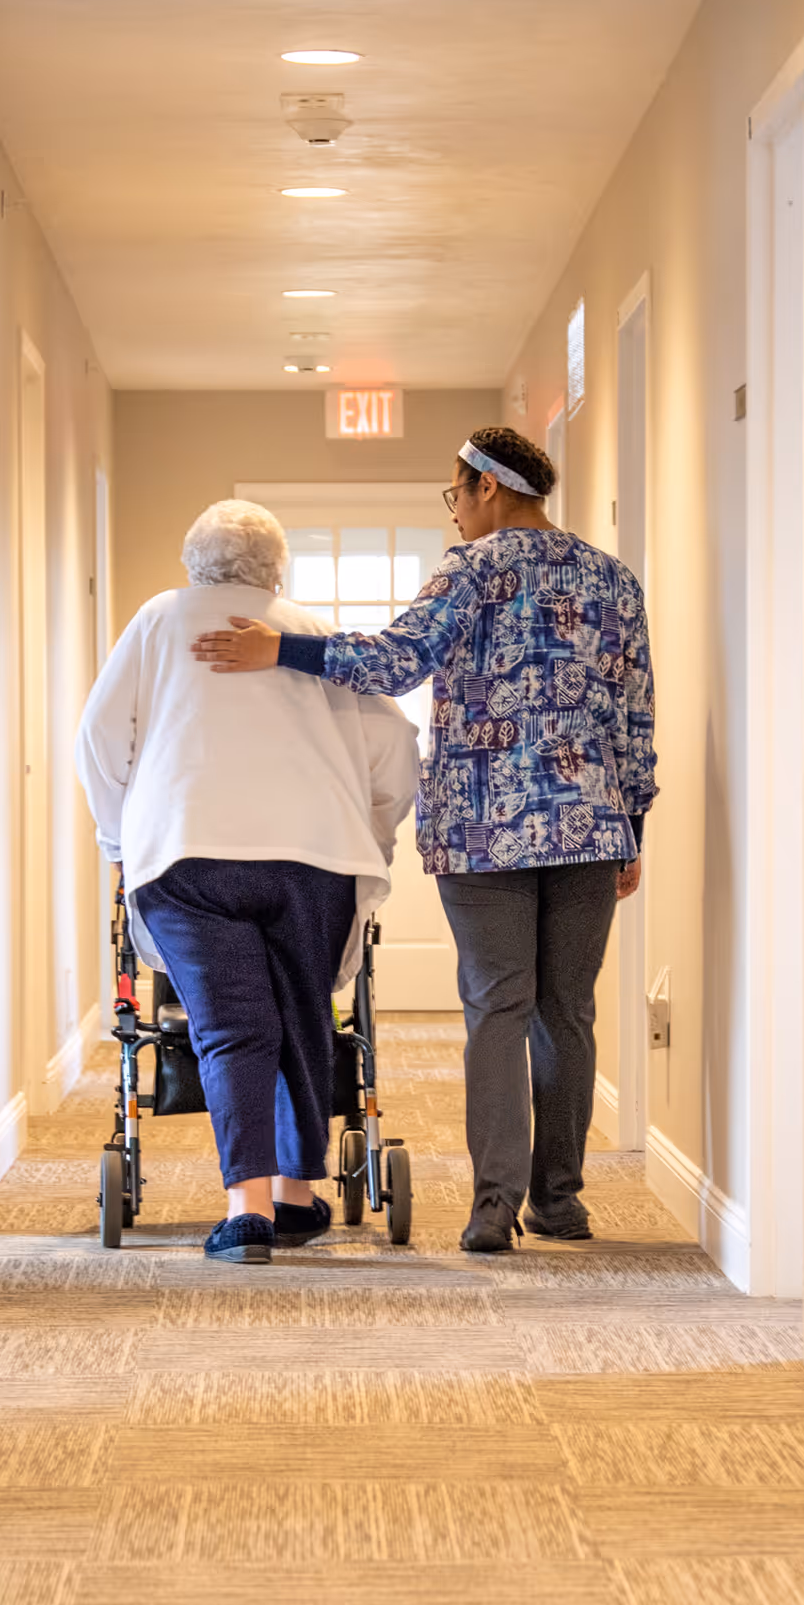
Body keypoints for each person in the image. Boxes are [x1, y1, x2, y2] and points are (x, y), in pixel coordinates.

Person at [194, 427, 656, 1254]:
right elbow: (635, 715)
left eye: (456, 495)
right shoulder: (613, 578)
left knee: (496, 1007)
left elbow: (397, 660)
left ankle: (492, 1208)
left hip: (486, 831)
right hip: (590, 826)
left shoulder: (471, 570)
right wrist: (633, 826)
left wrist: (281, 651)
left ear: (484, 486)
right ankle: (560, 1200)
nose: (458, 514)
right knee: (568, 1011)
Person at [77, 499, 418, 1265]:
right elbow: (395, 744)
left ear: (192, 558)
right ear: (277, 567)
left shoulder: (159, 620)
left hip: (189, 855)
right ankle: (298, 1197)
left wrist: (120, 838)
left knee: (233, 1026)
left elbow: (99, 740)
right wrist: (373, 833)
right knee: (304, 1016)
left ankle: (248, 1211)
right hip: (315, 856)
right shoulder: (311, 630)